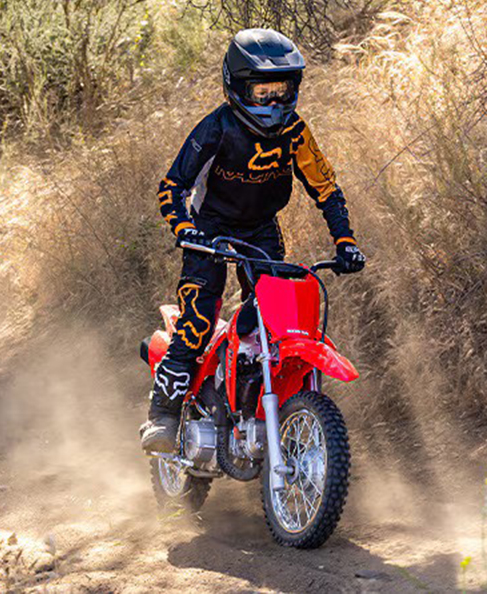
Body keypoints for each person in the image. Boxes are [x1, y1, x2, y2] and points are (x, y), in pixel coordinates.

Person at [140, 29, 366, 453]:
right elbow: (172, 186)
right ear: (237, 87)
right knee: (198, 319)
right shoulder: (216, 129)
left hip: (261, 230)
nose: (273, 102)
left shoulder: (296, 132)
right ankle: (163, 416)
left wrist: (345, 240)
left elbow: (327, 188)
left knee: (273, 324)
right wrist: (186, 230)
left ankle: (254, 409)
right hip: (209, 230)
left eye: (282, 90)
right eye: (262, 92)